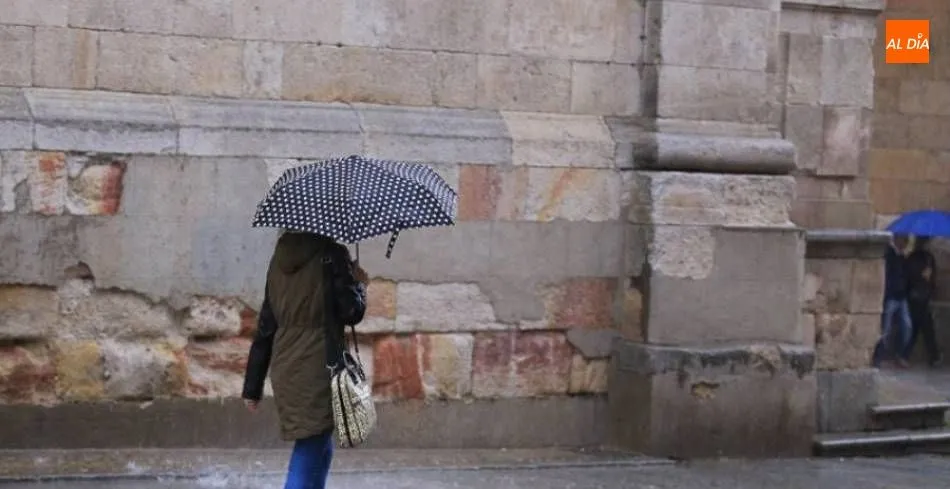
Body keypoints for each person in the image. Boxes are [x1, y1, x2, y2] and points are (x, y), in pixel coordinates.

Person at [242, 231, 368, 489]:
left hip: (285, 365)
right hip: (319, 364)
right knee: (310, 446)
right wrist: (359, 284)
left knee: (320, 443)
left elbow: (266, 324)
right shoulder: (332, 255)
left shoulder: (278, 260)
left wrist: (252, 387)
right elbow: (351, 312)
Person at [872, 234, 913, 368]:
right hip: (891, 296)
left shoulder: (902, 258)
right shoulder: (889, 255)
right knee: (886, 328)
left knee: (907, 327)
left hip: (901, 297)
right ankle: (878, 357)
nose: (906, 242)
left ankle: (899, 354)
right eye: (904, 239)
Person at [904, 236, 942, 367]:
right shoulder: (913, 258)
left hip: (924, 296)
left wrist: (930, 279)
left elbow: (933, 278)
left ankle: (932, 356)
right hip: (916, 297)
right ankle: (933, 356)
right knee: (923, 328)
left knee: (922, 328)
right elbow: (909, 277)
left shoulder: (929, 258)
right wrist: (921, 276)